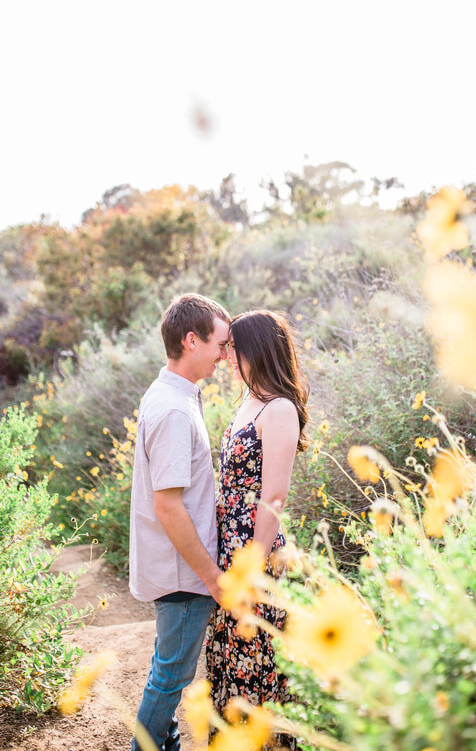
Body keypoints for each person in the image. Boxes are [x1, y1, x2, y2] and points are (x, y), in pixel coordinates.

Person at [129, 293, 230, 751]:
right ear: (192, 340)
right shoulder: (172, 408)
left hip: (179, 567)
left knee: (168, 673)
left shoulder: (175, 396)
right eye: (220, 345)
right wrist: (211, 575)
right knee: (170, 677)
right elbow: (168, 506)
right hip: (183, 571)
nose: (225, 356)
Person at [205, 309, 309, 743]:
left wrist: (251, 568)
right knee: (227, 663)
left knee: (257, 667)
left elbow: (274, 498)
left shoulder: (280, 408)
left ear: (258, 351)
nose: (228, 357)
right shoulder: (249, 401)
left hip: (257, 553)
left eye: (235, 349)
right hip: (229, 550)